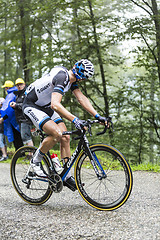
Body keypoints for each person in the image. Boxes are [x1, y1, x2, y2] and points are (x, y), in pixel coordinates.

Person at [23, 59, 107, 191]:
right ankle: (35, 161)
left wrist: (97, 116)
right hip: (32, 105)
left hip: (45, 106)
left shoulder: (70, 79)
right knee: (57, 133)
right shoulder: (62, 77)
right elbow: (55, 104)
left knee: (65, 137)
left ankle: (65, 175)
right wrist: (75, 120)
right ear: (83, 79)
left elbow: (81, 98)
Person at [0, 80, 23, 151]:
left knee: (16, 137)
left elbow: (8, 109)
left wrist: (3, 118)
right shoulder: (13, 94)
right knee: (17, 136)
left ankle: (20, 153)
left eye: (5, 88)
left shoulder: (11, 95)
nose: (5, 89)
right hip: (14, 118)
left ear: (7, 88)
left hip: (13, 119)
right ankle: (20, 152)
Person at [10, 78, 34, 147]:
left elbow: (27, 105)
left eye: (20, 84)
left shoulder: (27, 93)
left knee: (26, 137)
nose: (19, 86)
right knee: (25, 137)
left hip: (26, 119)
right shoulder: (18, 95)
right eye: (17, 85)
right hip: (20, 119)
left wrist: (16, 105)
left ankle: (31, 154)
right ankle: (30, 154)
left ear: (24, 84)